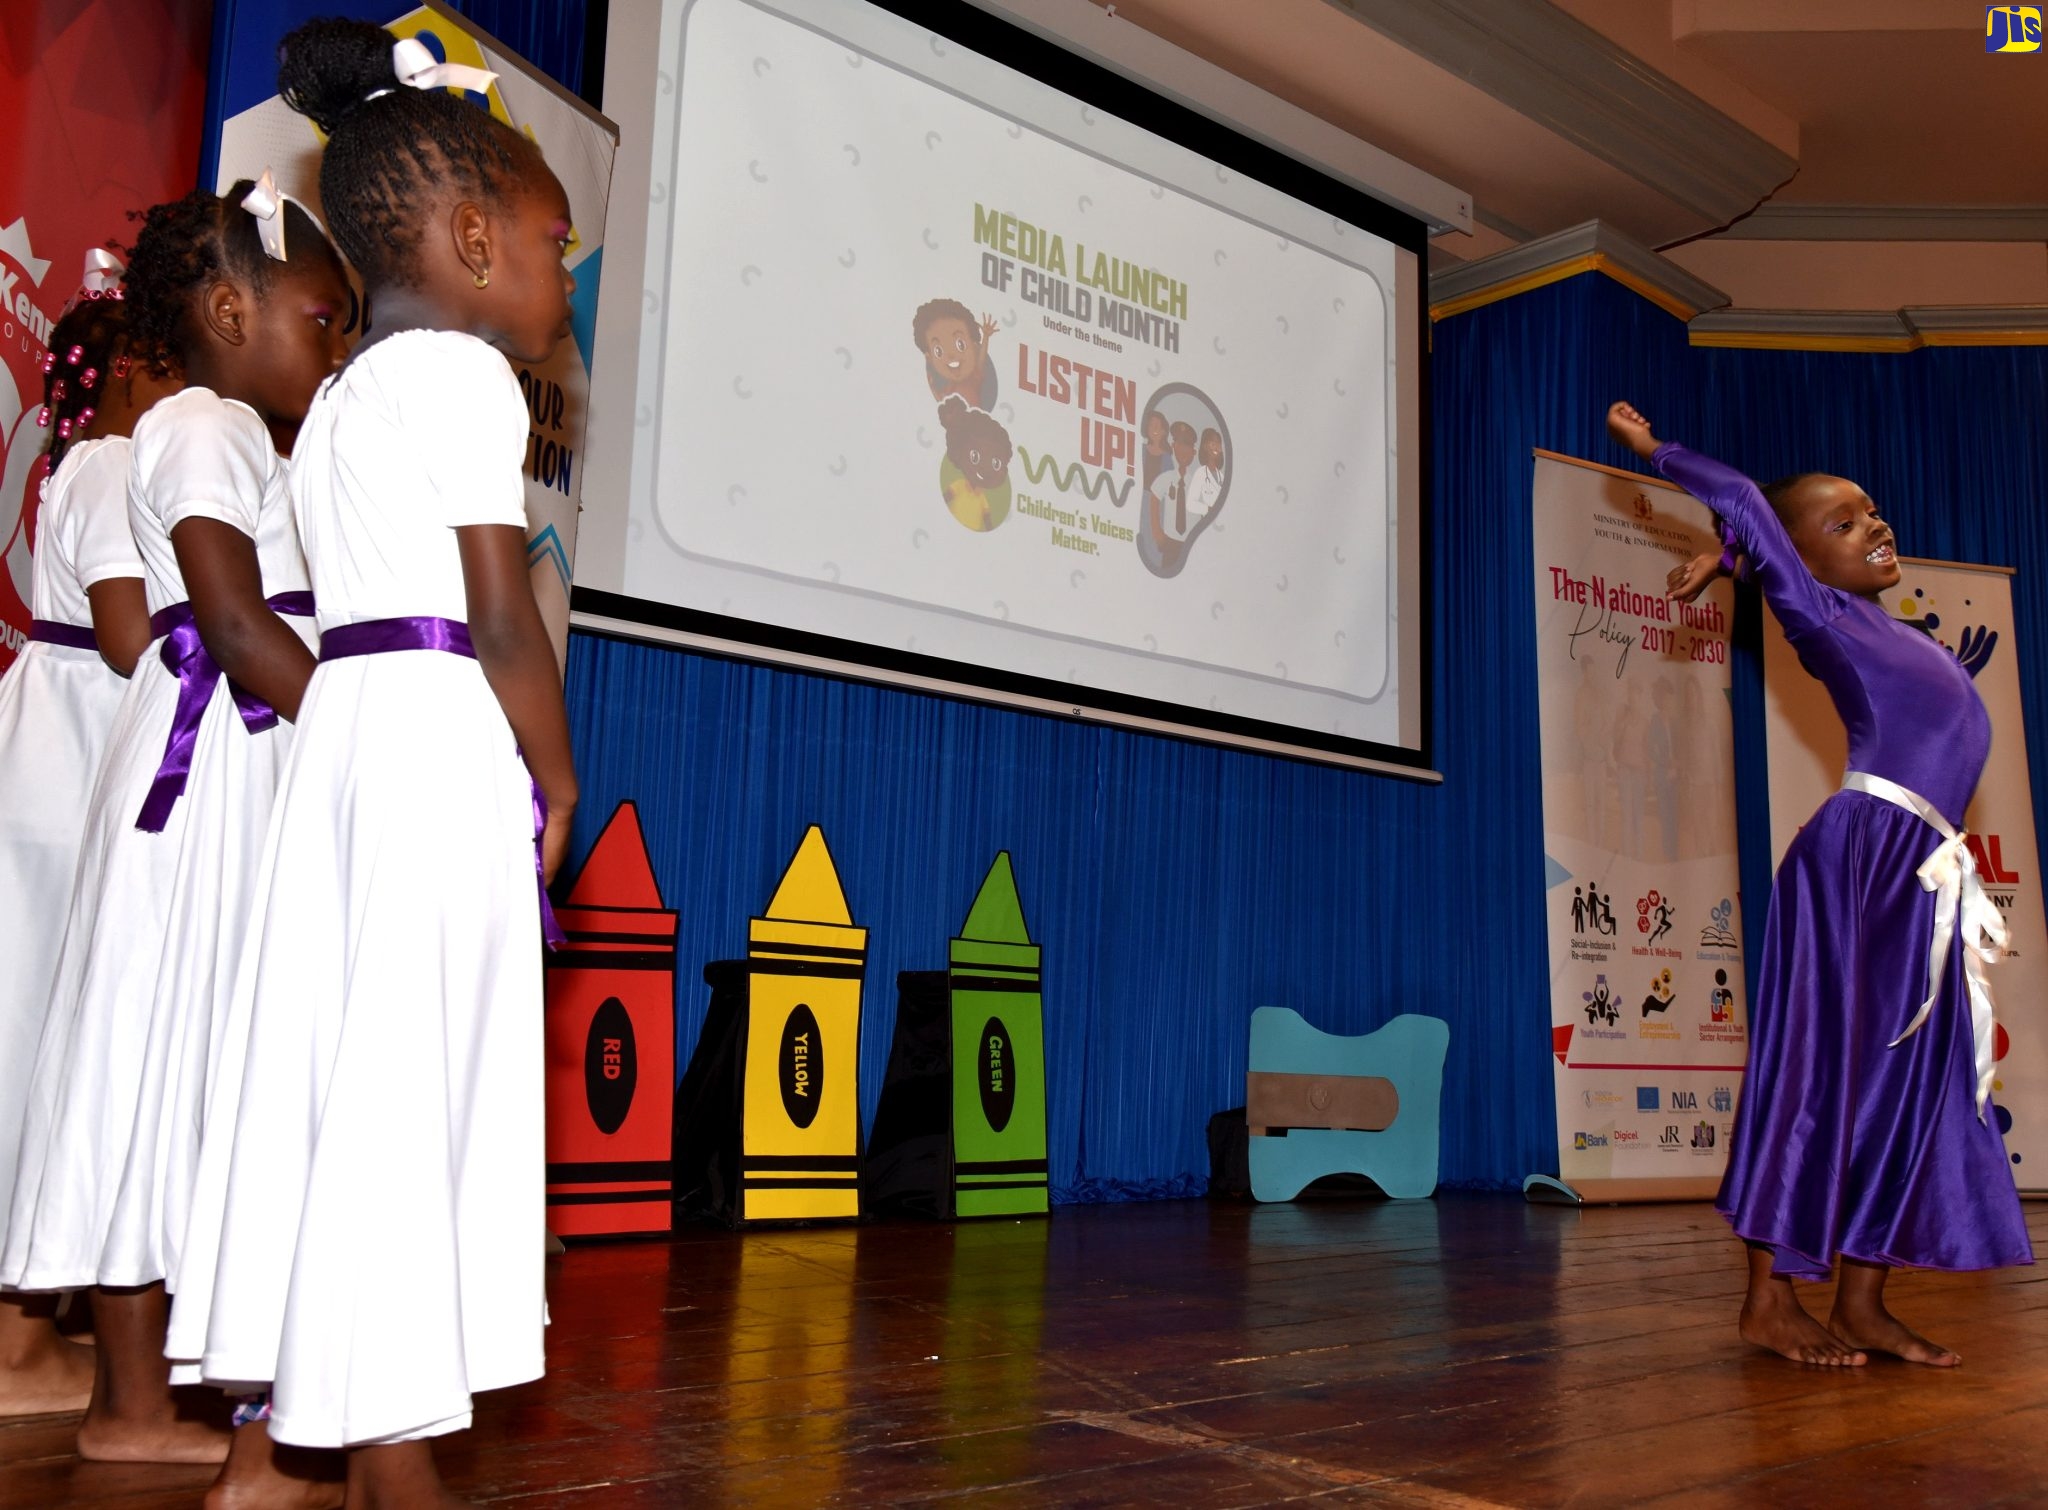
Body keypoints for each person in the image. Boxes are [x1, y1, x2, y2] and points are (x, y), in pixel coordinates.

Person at [169, 19, 579, 1504]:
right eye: (552, 239)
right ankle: (395, 1464)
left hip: (345, 740)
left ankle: (271, 1449)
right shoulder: (467, 382)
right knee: (410, 1091)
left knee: (334, 1077)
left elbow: (290, 614)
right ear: (472, 236)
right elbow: (497, 615)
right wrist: (559, 770)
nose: (564, 271)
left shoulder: (335, 402)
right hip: (429, 738)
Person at [0, 185, 348, 1465]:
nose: (335, 343)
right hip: (208, 769)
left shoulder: (245, 437)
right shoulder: (203, 426)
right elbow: (234, 617)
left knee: (179, 1059)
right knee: (163, 1052)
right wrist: (354, 734)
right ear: (225, 309)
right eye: (322, 317)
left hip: (223, 759)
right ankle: (134, 1404)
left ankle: (136, 1400)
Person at [1608, 400, 2031, 1367]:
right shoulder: (1822, 614)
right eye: (1841, 524)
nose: (1872, 525)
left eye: (1871, 511)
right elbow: (1751, 508)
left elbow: (1759, 540)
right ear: (1801, 561)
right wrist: (1658, 454)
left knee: (1916, 1078)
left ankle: (1863, 1300)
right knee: (1821, 1065)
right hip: (1862, 858)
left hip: (1920, 869)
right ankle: (1767, 1297)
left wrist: (1731, 560)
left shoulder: (1906, 632)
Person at [0, 280, 172, 1419]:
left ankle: (23, 1331)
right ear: (122, 377)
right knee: (47, 1030)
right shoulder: (114, 465)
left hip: (49, 736)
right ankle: (16, 1344)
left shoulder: (77, 463)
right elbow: (126, 635)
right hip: (75, 746)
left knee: (28, 1020)